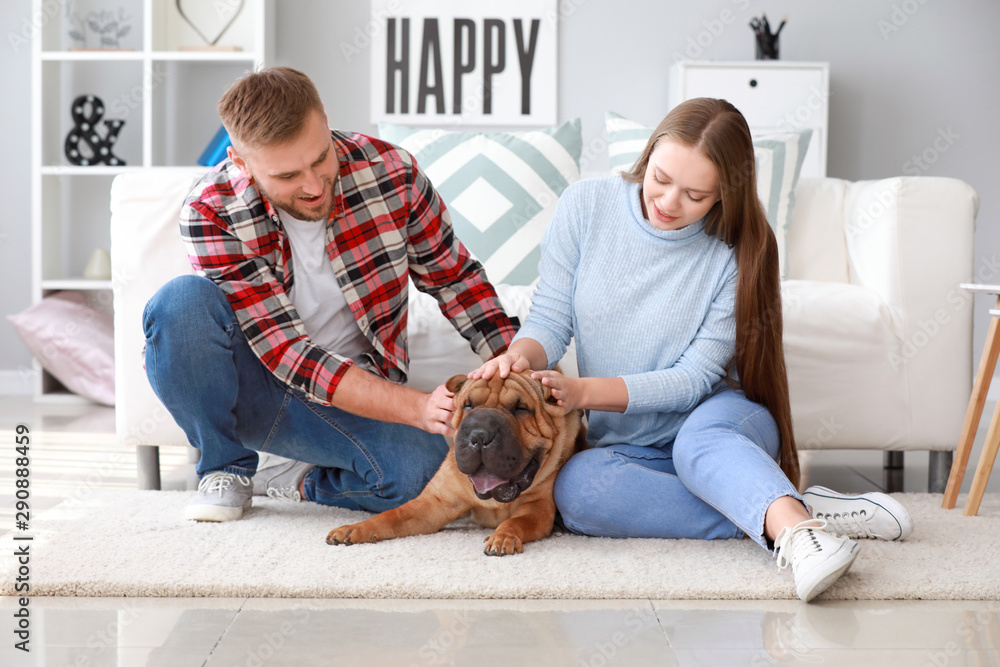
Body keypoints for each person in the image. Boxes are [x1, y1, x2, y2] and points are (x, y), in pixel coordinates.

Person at [472, 97, 913, 602]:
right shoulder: (585, 206)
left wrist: (583, 392)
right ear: (649, 152)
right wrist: (519, 357)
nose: (667, 203)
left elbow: (692, 379)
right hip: (632, 443)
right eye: (659, 178)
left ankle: (800, 537)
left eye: (696, 194)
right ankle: (782, 505)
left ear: (725, 195)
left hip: (719, 422)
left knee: (697, 446)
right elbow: (550, 318)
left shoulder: (736, 249)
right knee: (579, 495)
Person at [143, 67, 518, 522]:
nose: (315, 186)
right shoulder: (210, 210)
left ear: (324, 119)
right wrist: (418, 407)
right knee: (180, 303)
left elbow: (456, 279)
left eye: (321, 158)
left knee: (421, 474)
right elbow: (290, 354)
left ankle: (290, 478)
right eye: (287, 175)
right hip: (256, 387)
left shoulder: (392, 173)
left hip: (355, 388)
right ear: (241, 162)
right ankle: (225, 467)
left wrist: (522, 366)